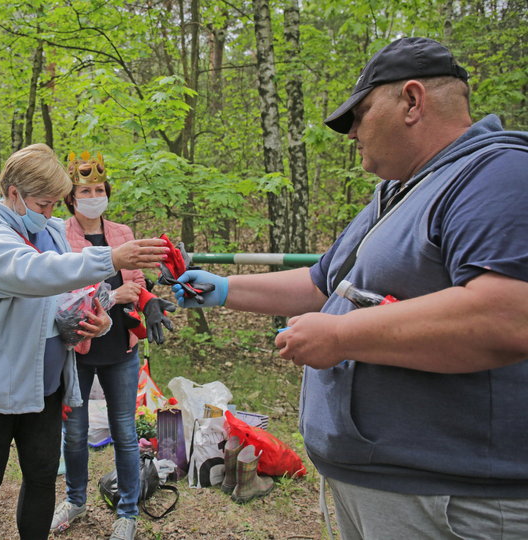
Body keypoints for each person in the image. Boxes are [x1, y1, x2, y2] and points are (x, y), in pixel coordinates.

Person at [174, 37, 528, 538]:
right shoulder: (398, 192)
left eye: (359, 114)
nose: (352, 132)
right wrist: (226, 288)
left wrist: (341, 337)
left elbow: (507, 316)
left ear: (411, 101)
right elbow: (325, 283)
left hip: (451, 499)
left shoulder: (496, 173)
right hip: (384, 487)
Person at [0, 143, 168, 540]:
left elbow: (72, 293)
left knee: (43, 474)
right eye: (44, 203)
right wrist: (111, 258)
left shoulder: (48, 230)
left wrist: (97, 315)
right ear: (13, 193)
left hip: (43, 383)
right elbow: (38, 273)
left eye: (53, 205)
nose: (51, 213)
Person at [51, 151, 175, 540]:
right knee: (75, 431)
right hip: (80, 345)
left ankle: (128, 513)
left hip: (120, 345)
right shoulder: (60, 234)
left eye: (99, 189)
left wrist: (147, 300)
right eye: (84, 190)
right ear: (71, 196)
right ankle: (75, 499)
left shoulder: (121, 232)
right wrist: (112, 294)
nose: (92, 195)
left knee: (124, 430)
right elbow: (64, 290)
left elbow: (135, 280)